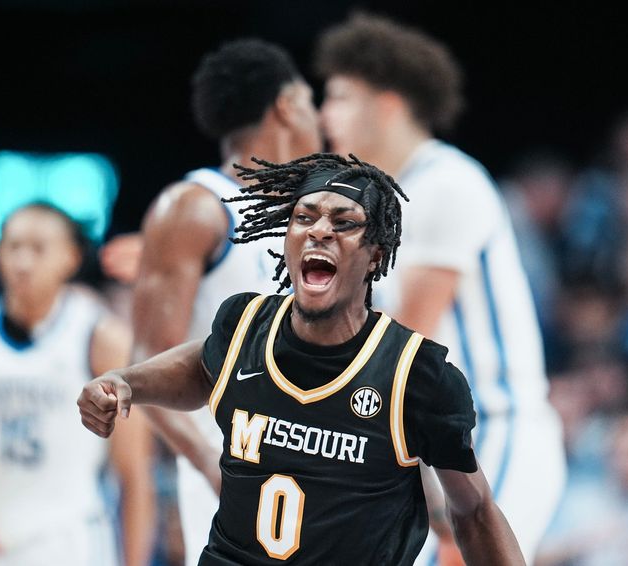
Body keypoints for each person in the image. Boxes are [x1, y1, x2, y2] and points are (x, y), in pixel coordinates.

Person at [79, 153, 525, 565]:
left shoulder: (415, 373)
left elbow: (474, 511)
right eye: (304, 217)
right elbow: (202, 366)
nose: (319, 230)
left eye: (344, 222)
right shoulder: (245, 324)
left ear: (376, 255)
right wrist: (127, 381)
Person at [313, 14, 566, 565]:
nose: (323, 114)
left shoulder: (447, 182)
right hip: (430, 441)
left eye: (339, 97)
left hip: (493, 431)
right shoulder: (375, 202)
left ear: (387, 105)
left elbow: (408, 338)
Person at [100, 38, 321, 565]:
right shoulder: (197, 207)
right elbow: (146, 363)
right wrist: (213, 467)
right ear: (288, 104)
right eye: (312, 102)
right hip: (236, 473)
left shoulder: (315, 216)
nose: (320, 119)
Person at [0, 167, 157, 566]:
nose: (23, 261)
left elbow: (134, 474)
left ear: (71, 258)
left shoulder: (102, 339)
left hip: (75, 547)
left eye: (38, 249)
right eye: (13, 247)